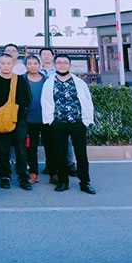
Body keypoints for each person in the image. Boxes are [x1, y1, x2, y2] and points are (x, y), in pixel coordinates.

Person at [42, 54, 96, 194]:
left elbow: (87, 101)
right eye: (59, 62)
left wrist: (85, 121)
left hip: (77, 122)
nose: (62, 65)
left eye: (65, 62)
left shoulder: (79, 82)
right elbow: (45, 102)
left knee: (81, 154)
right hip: (58, 123)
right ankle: (63, 181)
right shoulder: (49, 82)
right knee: (60, 153)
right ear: (55, 65)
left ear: (69, 65)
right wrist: (51, 121)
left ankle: (85, 182)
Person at [0, 54, 33, 190]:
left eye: (8, 63)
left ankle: (22, 176)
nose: (6, 66)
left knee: (21, 150)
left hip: (19, 120)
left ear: (13, 64)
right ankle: (4, 176)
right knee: (2, 150)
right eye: (3, 63)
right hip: (0, 120)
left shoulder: (20, 80)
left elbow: (27, 100)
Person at [24, 54, 53, 184]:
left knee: (50, 147)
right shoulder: (22, 80)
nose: (32, 66)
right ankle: (33, 173)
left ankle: (52, 172)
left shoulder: (47, 80)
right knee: (31, 148)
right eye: (29, 64)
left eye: (35, 63)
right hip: (29, 120)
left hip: (46, 119)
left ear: (39, 65)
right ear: (26, 66)